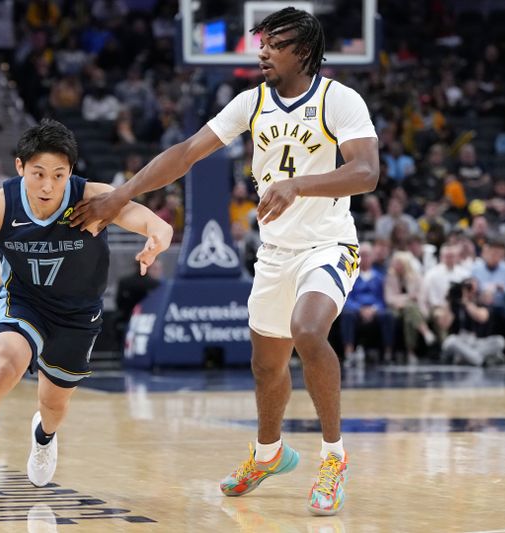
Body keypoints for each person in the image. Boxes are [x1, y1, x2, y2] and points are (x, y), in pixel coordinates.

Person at [71, 7, 378, 516]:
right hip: (275, 253)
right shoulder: (250, 103)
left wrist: (297, 185)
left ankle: (334, 457)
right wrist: (119, 196)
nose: (261, 51)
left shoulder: (338, 99)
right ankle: (268, 454)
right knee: (265, 366)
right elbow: (186, 153)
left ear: (302, 51)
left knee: (308, 330)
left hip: (328, 246)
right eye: (262, 41)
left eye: (273, 43)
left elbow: (366, 172)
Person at [0, 119, 172, 508]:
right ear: (20, 167)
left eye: (58, 174)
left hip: (77, 312)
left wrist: (158, 236)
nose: (48, 185)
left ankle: (44, 437)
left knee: (54, 406)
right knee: (5, 367)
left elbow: (148, 219)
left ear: (71, 171)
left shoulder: (93, 198)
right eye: (38, 174)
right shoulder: (0, 203)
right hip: (24, 302)